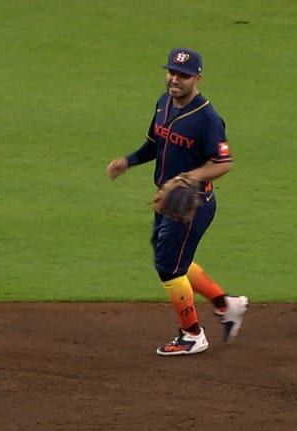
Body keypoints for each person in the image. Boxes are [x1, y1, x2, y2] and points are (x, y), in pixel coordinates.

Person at [107, 47, 247, 356]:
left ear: (197, 78)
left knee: (169, 267)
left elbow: (224, 163)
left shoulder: (208, 119)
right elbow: (154, 143)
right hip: (167, 202)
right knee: (170, 258)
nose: (175, 79)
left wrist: (187, 179)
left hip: (191, 205)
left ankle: (192, 334)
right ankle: (226, 304)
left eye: (182, 75)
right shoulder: (163, 103)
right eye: (171, 72)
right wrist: (128, 161)